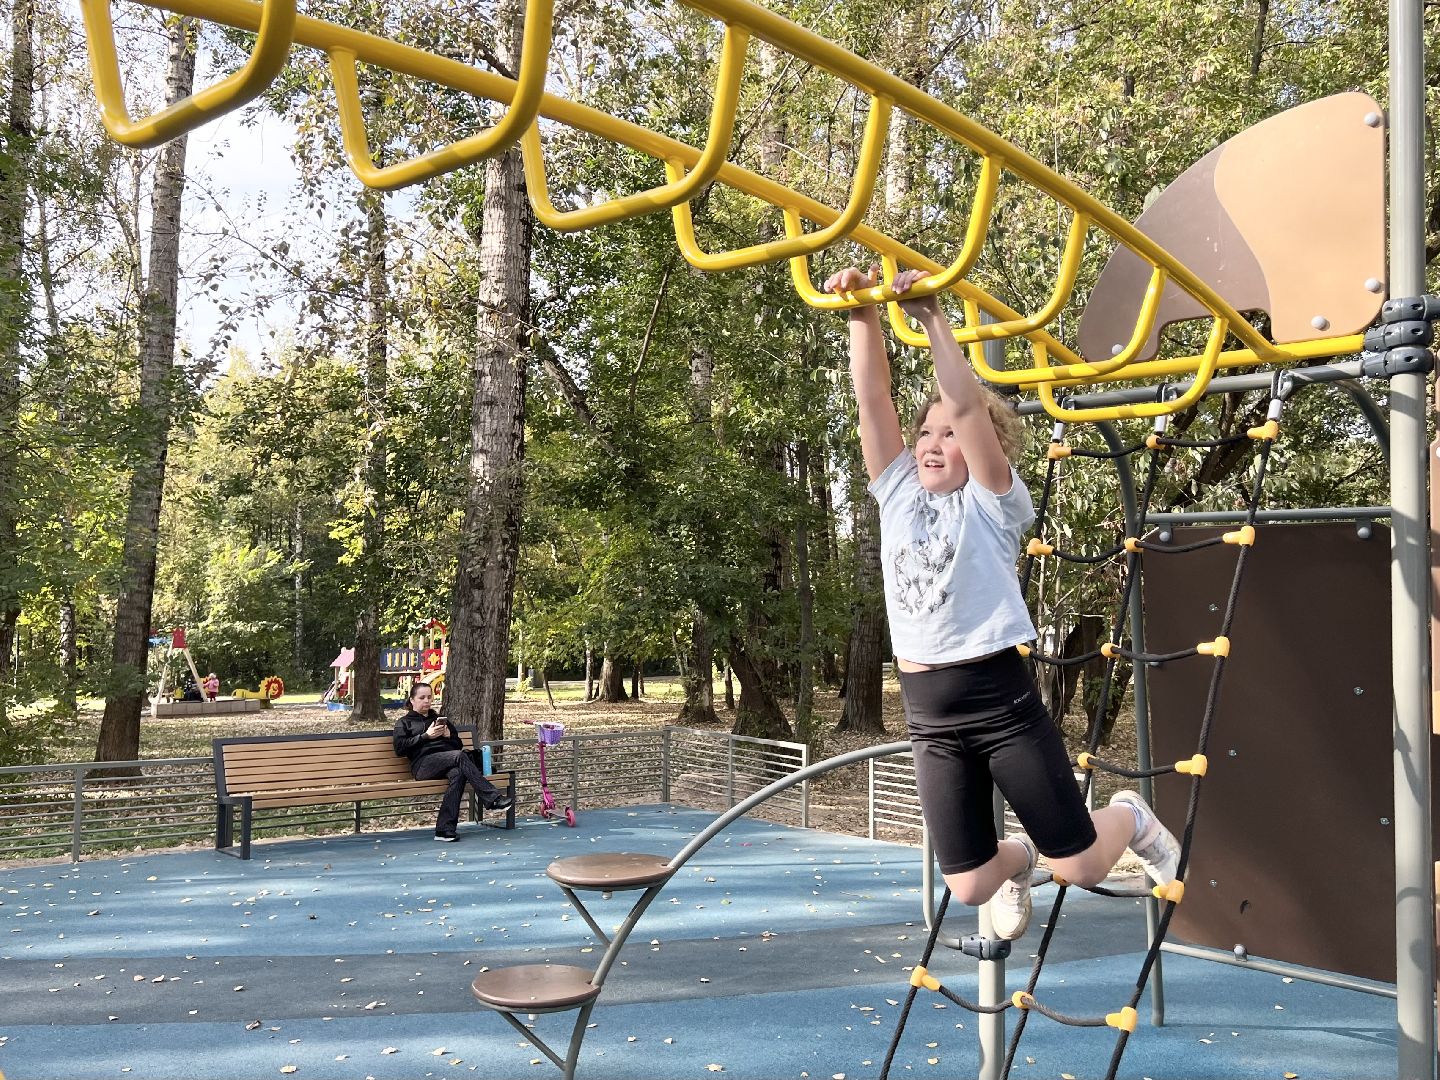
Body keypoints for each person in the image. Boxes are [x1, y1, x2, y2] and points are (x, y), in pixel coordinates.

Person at [825, 263, 1180, 940]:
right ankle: (1017, 864)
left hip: (999, 704)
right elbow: (873, 400)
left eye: (950, 436)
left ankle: (1130, 817)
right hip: (929, 715)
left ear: (983, 449)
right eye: (925, 434)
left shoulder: (994, 505)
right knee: (969, 884)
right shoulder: (897, 492)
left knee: (1077, 867)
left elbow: (964, 404)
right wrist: (861, 313)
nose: (933, 443)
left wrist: (933, 318)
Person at [392, 682, 513, 841]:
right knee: (459, 756)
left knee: (458, 773)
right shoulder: (404, 723)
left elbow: (457, 745)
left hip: (449, 761)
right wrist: (425, 736)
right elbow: (400, 748)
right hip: (423, 766)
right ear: (412, 700)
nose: (427, 701)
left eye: (429, 697)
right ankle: (493, 799)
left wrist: (449, 736)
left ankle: (444, 830)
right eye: (422, 697)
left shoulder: (439, 720)